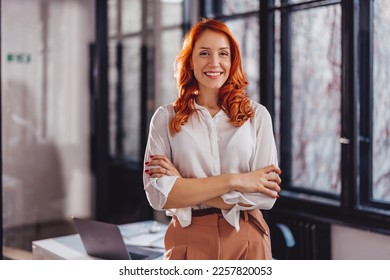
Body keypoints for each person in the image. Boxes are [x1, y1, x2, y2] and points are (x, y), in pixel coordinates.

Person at [143, 18, 281, 260]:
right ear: (191, 61)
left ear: (232, 60)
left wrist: (183, 185)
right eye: (204, 53)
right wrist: (237, 180)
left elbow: (263, 196)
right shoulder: (165, 118)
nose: (214, 63)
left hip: (247, 235)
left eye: (223, 54)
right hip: (187, 237)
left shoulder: (256, 116)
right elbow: (159, 196)